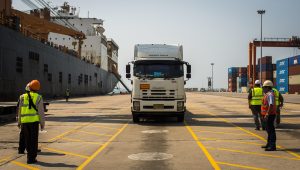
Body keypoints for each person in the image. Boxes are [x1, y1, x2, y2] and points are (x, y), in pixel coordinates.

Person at [17, 80, 45, 164]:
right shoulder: (38, 97)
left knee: (27, 140)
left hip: (24, 122)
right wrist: (42, 124)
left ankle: (28, 155)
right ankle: (31, 158)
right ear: (37, 88)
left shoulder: (22, 97)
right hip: (33, 122)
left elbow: (19, 110)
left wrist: (19, 121)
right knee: (33, 140)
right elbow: (41, 112)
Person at [261, 80, 277, 151]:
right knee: (268, 129)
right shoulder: (267, 94)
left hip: (270, 114)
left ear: (268, 87)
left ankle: (272, 146)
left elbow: (271, 104)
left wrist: (267, 113)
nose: (263, 89)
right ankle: (268, 144)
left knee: (271, 130)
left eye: (264, 87)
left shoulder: (270, 94)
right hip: (267, 114)